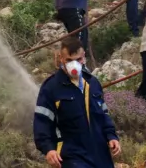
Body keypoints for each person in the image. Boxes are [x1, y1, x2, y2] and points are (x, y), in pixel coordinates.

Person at [34, 37, 121, 168]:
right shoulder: (51, 87)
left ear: (84, 57)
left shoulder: (93, 83)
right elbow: (42, 121)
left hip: (100, 153)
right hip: (71, 156)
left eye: (78, 59)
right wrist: (48, 149)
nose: (74, 65)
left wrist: (111, 136)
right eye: (69, 60)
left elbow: (103, 115)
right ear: (61, 58)